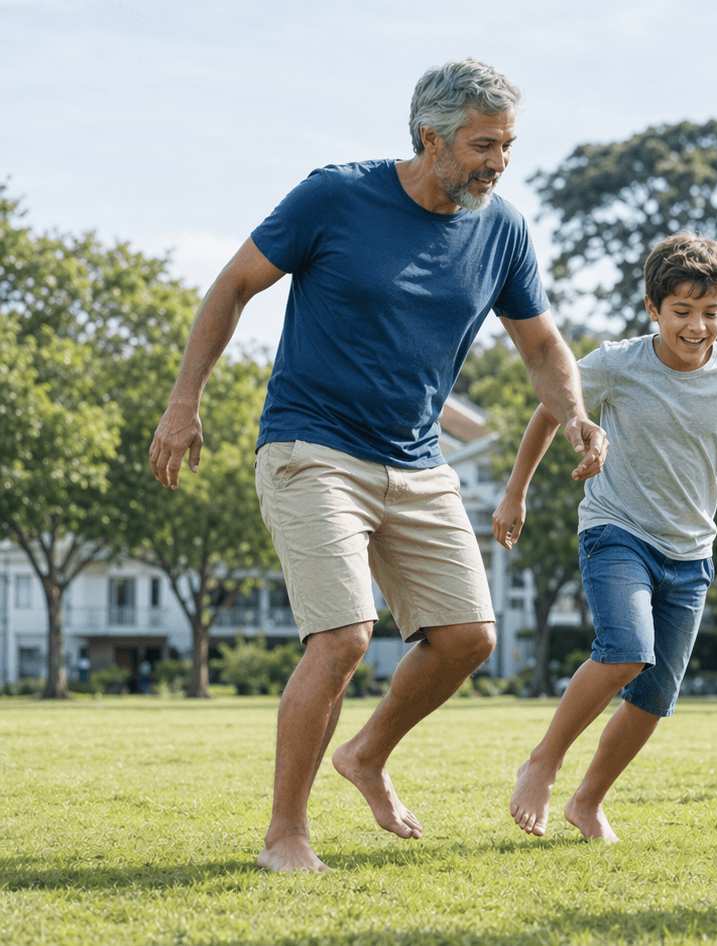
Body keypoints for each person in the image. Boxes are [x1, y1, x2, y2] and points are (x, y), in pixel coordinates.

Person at [147, 60, 608, 872]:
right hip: (312, 447)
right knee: (343, 637)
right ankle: (286, 834)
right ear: (431, 138)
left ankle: (365, 754)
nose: (498, 162)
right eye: (482, 145)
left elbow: (541, 345)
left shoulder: (501, 230)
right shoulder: (335, 196)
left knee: (468, 637)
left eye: (507, 145)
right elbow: (233, 286)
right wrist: (184, 402)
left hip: (417, 459)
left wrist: (572, 411)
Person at [494, 232, 717, 842]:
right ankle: (543, 762)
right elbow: (549, 409)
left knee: (653, 697)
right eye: (682, 311)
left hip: (692, 552)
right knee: (626, 650)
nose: (697, 326)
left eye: (711, 312)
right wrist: (515, 493)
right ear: (653, 309)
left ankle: (587, 803)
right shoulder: (616, 363)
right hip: (617, 529)